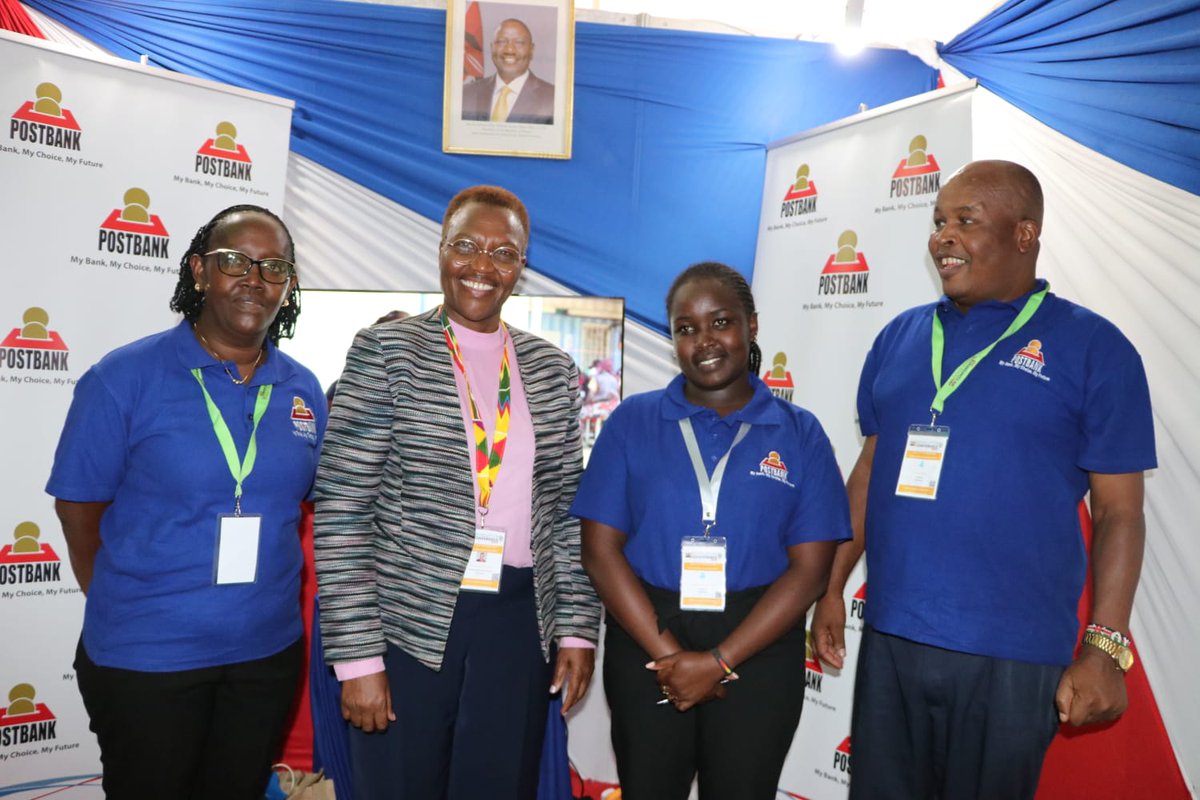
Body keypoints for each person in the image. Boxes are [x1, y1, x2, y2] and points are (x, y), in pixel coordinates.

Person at [810, 160, 1156, 799]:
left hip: (1013, 654)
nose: (943, 236)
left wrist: (1105, 647)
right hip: (892, 636)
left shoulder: (1096, 350)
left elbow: (1119, 514)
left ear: (1024, 235)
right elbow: (869, 472)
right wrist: (832, 585)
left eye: (965, 221)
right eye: (938, 221)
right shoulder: (899, 338)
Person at [314, 185, 600, 799]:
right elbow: (341, 509)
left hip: (517, 622)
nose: (482, 266)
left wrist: (576, 629)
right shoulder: (388, 350)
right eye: (467, 246)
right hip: (406, 619)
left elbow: (565, 513)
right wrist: (360, 661)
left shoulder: (549, 367)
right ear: (442, 251)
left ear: (521, 267)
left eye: (504, 252)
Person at [46, 205, 325, 798]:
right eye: (234, 262)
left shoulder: (303, 391)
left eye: (274, 266)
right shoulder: (122, 378)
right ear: (199, 271)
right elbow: (78, 514)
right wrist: (134, 602)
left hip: (264, 656)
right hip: (147, 658)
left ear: (289, 285)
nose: (255, 278)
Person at [573, 262, 850, 799]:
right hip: (647, 637)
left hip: (760, 643)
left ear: (752, 325)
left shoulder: (801, 433)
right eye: (686, 328)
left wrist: (719, 662)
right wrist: (671, 657)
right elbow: (599, 552)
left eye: (720, 322)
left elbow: (811, 570)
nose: (704, 341)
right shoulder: (633, 421)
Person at [462, 18, 555, 125]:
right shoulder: (466, 94)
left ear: (531, 50)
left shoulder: (553, 99)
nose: (509, 50)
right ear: (492, 48)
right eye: (501, 42)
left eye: (519, 42)